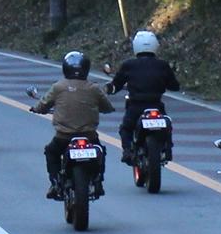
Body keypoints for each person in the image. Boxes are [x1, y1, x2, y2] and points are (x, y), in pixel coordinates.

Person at [30, 51, 115, 198]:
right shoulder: (93, 88)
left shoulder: (58, 87)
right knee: (101, 152)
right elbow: (108, 107)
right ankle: (98, 181)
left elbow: (43, 104)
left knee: (51, 151)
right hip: (89, 136)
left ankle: (55, 182)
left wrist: (37, 108)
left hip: (64, 137)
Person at [106, 30, 182, 162]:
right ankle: (168, 149)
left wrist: (109, 89)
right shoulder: (163, 65)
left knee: (126, 128)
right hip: (156, 104)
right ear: (155, 45)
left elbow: (116, 85)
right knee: (167, 124)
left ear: (136, 46)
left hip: (136, 106)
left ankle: (127, 151)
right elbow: (174, 86)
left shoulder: (128, 65)